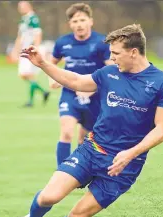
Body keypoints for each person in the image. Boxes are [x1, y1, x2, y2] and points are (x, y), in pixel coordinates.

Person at [0, 24, 163, 217]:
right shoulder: (108, 74)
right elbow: (75, 80)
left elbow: (162, 129)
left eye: (116, 53)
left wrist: (130, 153)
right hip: (92, 149)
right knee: (48, 197)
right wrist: (42, 63)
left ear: (134, 52)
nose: (111, 58)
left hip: (124, 166)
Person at [50, 3, 113, 169]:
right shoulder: (62, 43)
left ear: (90, 21)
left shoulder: (101, 42)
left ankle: (81, 169)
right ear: (70, 24)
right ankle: (62, 172)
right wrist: (52, 77)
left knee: (85, 138)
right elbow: (52, 62)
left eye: (82, 20)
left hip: (95, 97)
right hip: (70, 93)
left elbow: (111, 71)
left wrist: (92, 88)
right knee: (66, 131)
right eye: (75, 21)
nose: (79, 24)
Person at [10, 1, 50, 107]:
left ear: (29, 6)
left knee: (28, 74)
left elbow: (38, 33)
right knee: (24, 75)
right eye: (19, 7)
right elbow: (20, 37)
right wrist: (15, 50)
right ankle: (43, 92)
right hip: (25, 50)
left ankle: (31, 101)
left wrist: (35, 49)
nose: (20, 8)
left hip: (30, 50)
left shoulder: (33, 18)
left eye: (22, 6)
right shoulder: (24, 19)